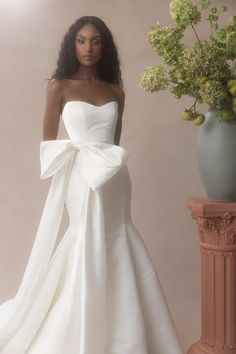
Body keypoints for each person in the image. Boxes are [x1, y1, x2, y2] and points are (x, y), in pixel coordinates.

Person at [0, 15, 185, 354]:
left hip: (114, 179)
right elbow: (49, 142)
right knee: (85, 238)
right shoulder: (59, 85)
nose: (88, 47)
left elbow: (113, 145)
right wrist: (74, 165)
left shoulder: (116, 91)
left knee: (118, 235)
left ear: (105, 47)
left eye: (96, 41)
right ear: (73, 45)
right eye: (82, 40)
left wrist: (105, 164)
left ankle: (121, 330)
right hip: (78, 177)